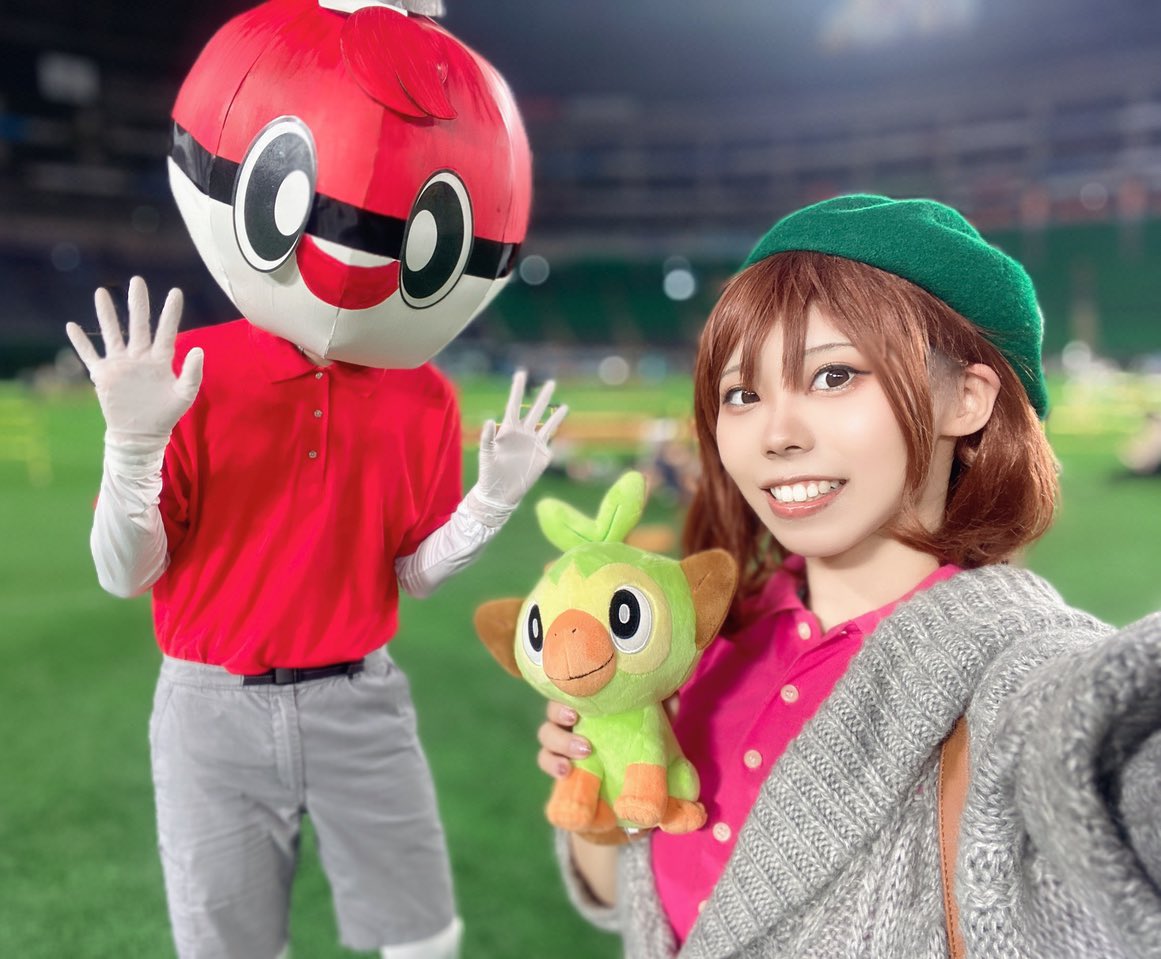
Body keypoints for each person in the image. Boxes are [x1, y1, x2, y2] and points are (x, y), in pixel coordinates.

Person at [535, 194, 1161, 958]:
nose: (775, 434)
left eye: (833, 376)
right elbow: (620, 892)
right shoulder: (693, 643)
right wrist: (599, 773)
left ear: (966, 398)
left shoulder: (1023, 676)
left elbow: (1110, 740)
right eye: (742, 393)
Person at [63, 1, 559, 956]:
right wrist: (131, 446)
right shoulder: (192, 372)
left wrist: (489, 503)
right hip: (211, 705)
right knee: (229, 946)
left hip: (359, 699)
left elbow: (412, 572)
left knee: (423, 935)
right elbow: (124, 573)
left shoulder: (424, 397)